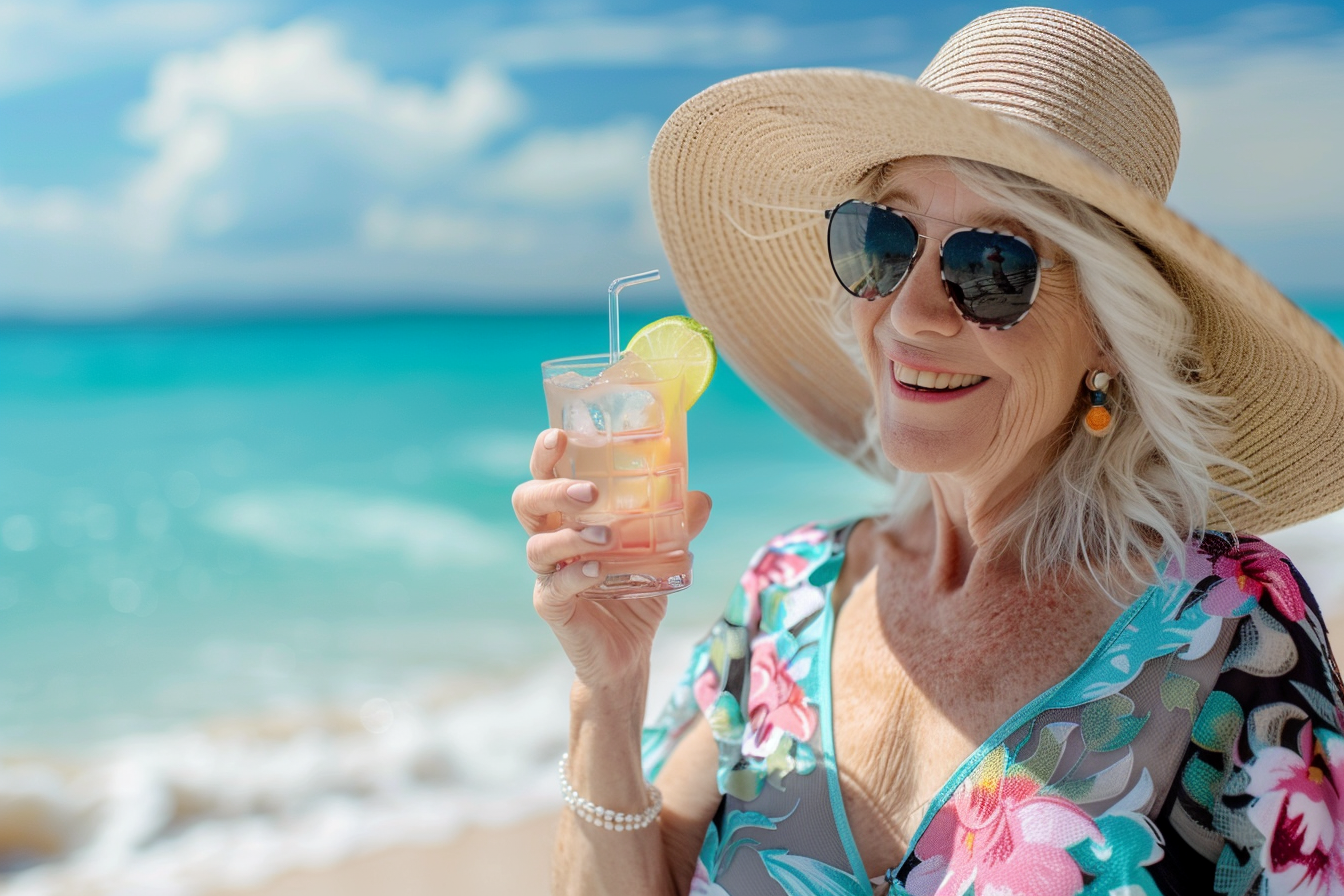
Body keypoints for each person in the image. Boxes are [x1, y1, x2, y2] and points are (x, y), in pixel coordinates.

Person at [512, 7, 1344, 895]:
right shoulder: (784, 594)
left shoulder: (1234, 630)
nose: (911, 313)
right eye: (885, 239)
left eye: (992, 265)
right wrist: (607, 688)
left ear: (1107, 331)